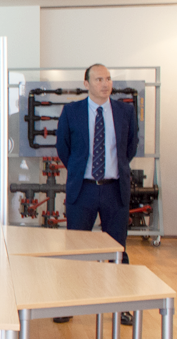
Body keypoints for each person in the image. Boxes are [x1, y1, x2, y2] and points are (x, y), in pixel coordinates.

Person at [56, 63, 140, 324]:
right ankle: (66, 304)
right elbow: (63, 148)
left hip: (115, 190)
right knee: (75, 250)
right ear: (86, 83)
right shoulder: (72, 112)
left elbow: (130, 147)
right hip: (83, 190)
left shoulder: (125, 111)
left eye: (108, 79)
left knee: (118, 249)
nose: (105, 84)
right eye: (99, 79)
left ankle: (121, 305)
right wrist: (82, 170)